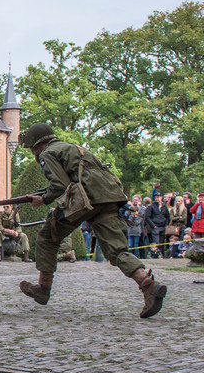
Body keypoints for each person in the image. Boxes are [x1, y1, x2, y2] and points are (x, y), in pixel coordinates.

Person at [17, 124, 167, 318]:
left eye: (32, 149)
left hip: (85, 201)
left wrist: (43, 199)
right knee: (117, 251)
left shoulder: (47, 154)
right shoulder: (74, 148)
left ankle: (43, 289)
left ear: (38, 145)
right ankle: (148, 284)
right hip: (109, 198)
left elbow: (60, 186)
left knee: (48, 236)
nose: (34, 153)